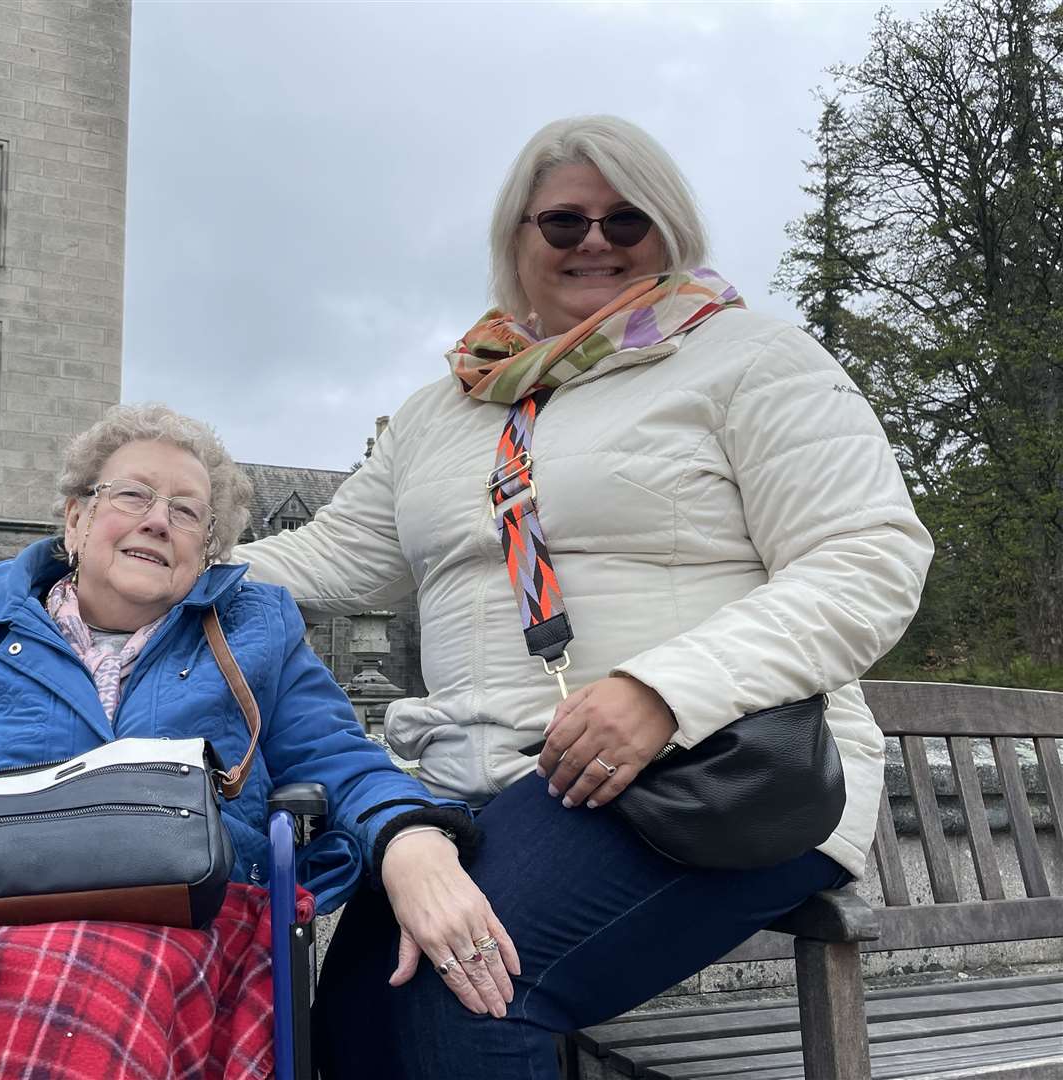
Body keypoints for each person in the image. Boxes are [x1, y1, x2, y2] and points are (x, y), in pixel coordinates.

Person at [237, 115, 934, 1078]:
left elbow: (869, 557)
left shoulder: (753, 360)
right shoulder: (444, 408)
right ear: (516, 239)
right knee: (350, 1016)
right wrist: (135, 563)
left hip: (721, 769)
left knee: (471, 985)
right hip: (491, 783)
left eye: (627, 219)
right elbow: (332, 558)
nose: (596, 242)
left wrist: (663, 691)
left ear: (671, 229)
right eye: (564, 223)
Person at [0, 403, 520, 1079]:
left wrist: (412, 838)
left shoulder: (255, 631)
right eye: (132, 497)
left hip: (161, 913)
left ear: (208, 551)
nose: (158, 521)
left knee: (78, 994)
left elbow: (342, 759)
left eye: (187, 512)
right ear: (75, 520)